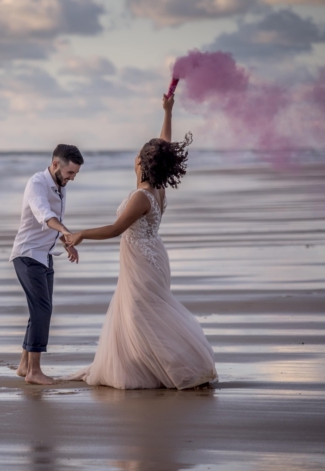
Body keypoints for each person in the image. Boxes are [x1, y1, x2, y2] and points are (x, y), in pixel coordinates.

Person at [63, 94, 218, 390]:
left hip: (142, 260)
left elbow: (115, 229)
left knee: (140, 313)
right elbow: (164, 146)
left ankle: (179, 367)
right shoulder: (157, 188)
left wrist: (81, 233)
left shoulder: (141, 196)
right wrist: (168, 112)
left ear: (141, 162)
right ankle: (149, 364)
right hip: (153, 254)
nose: (135, 156)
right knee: (148, 311)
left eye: (138, 153)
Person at [10, 144, 83, 385]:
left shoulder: (60, 185)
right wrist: (65, 230)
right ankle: (34, 372)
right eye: (70, 173)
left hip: (44, 255)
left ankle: (24, 365)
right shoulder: (37, 184)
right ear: (55, 165)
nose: (71, 178)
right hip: (28, 254)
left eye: (75, 174)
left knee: (40, 309)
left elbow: (56, 220)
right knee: (42, 310)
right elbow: (44, 215)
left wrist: (65, 241)